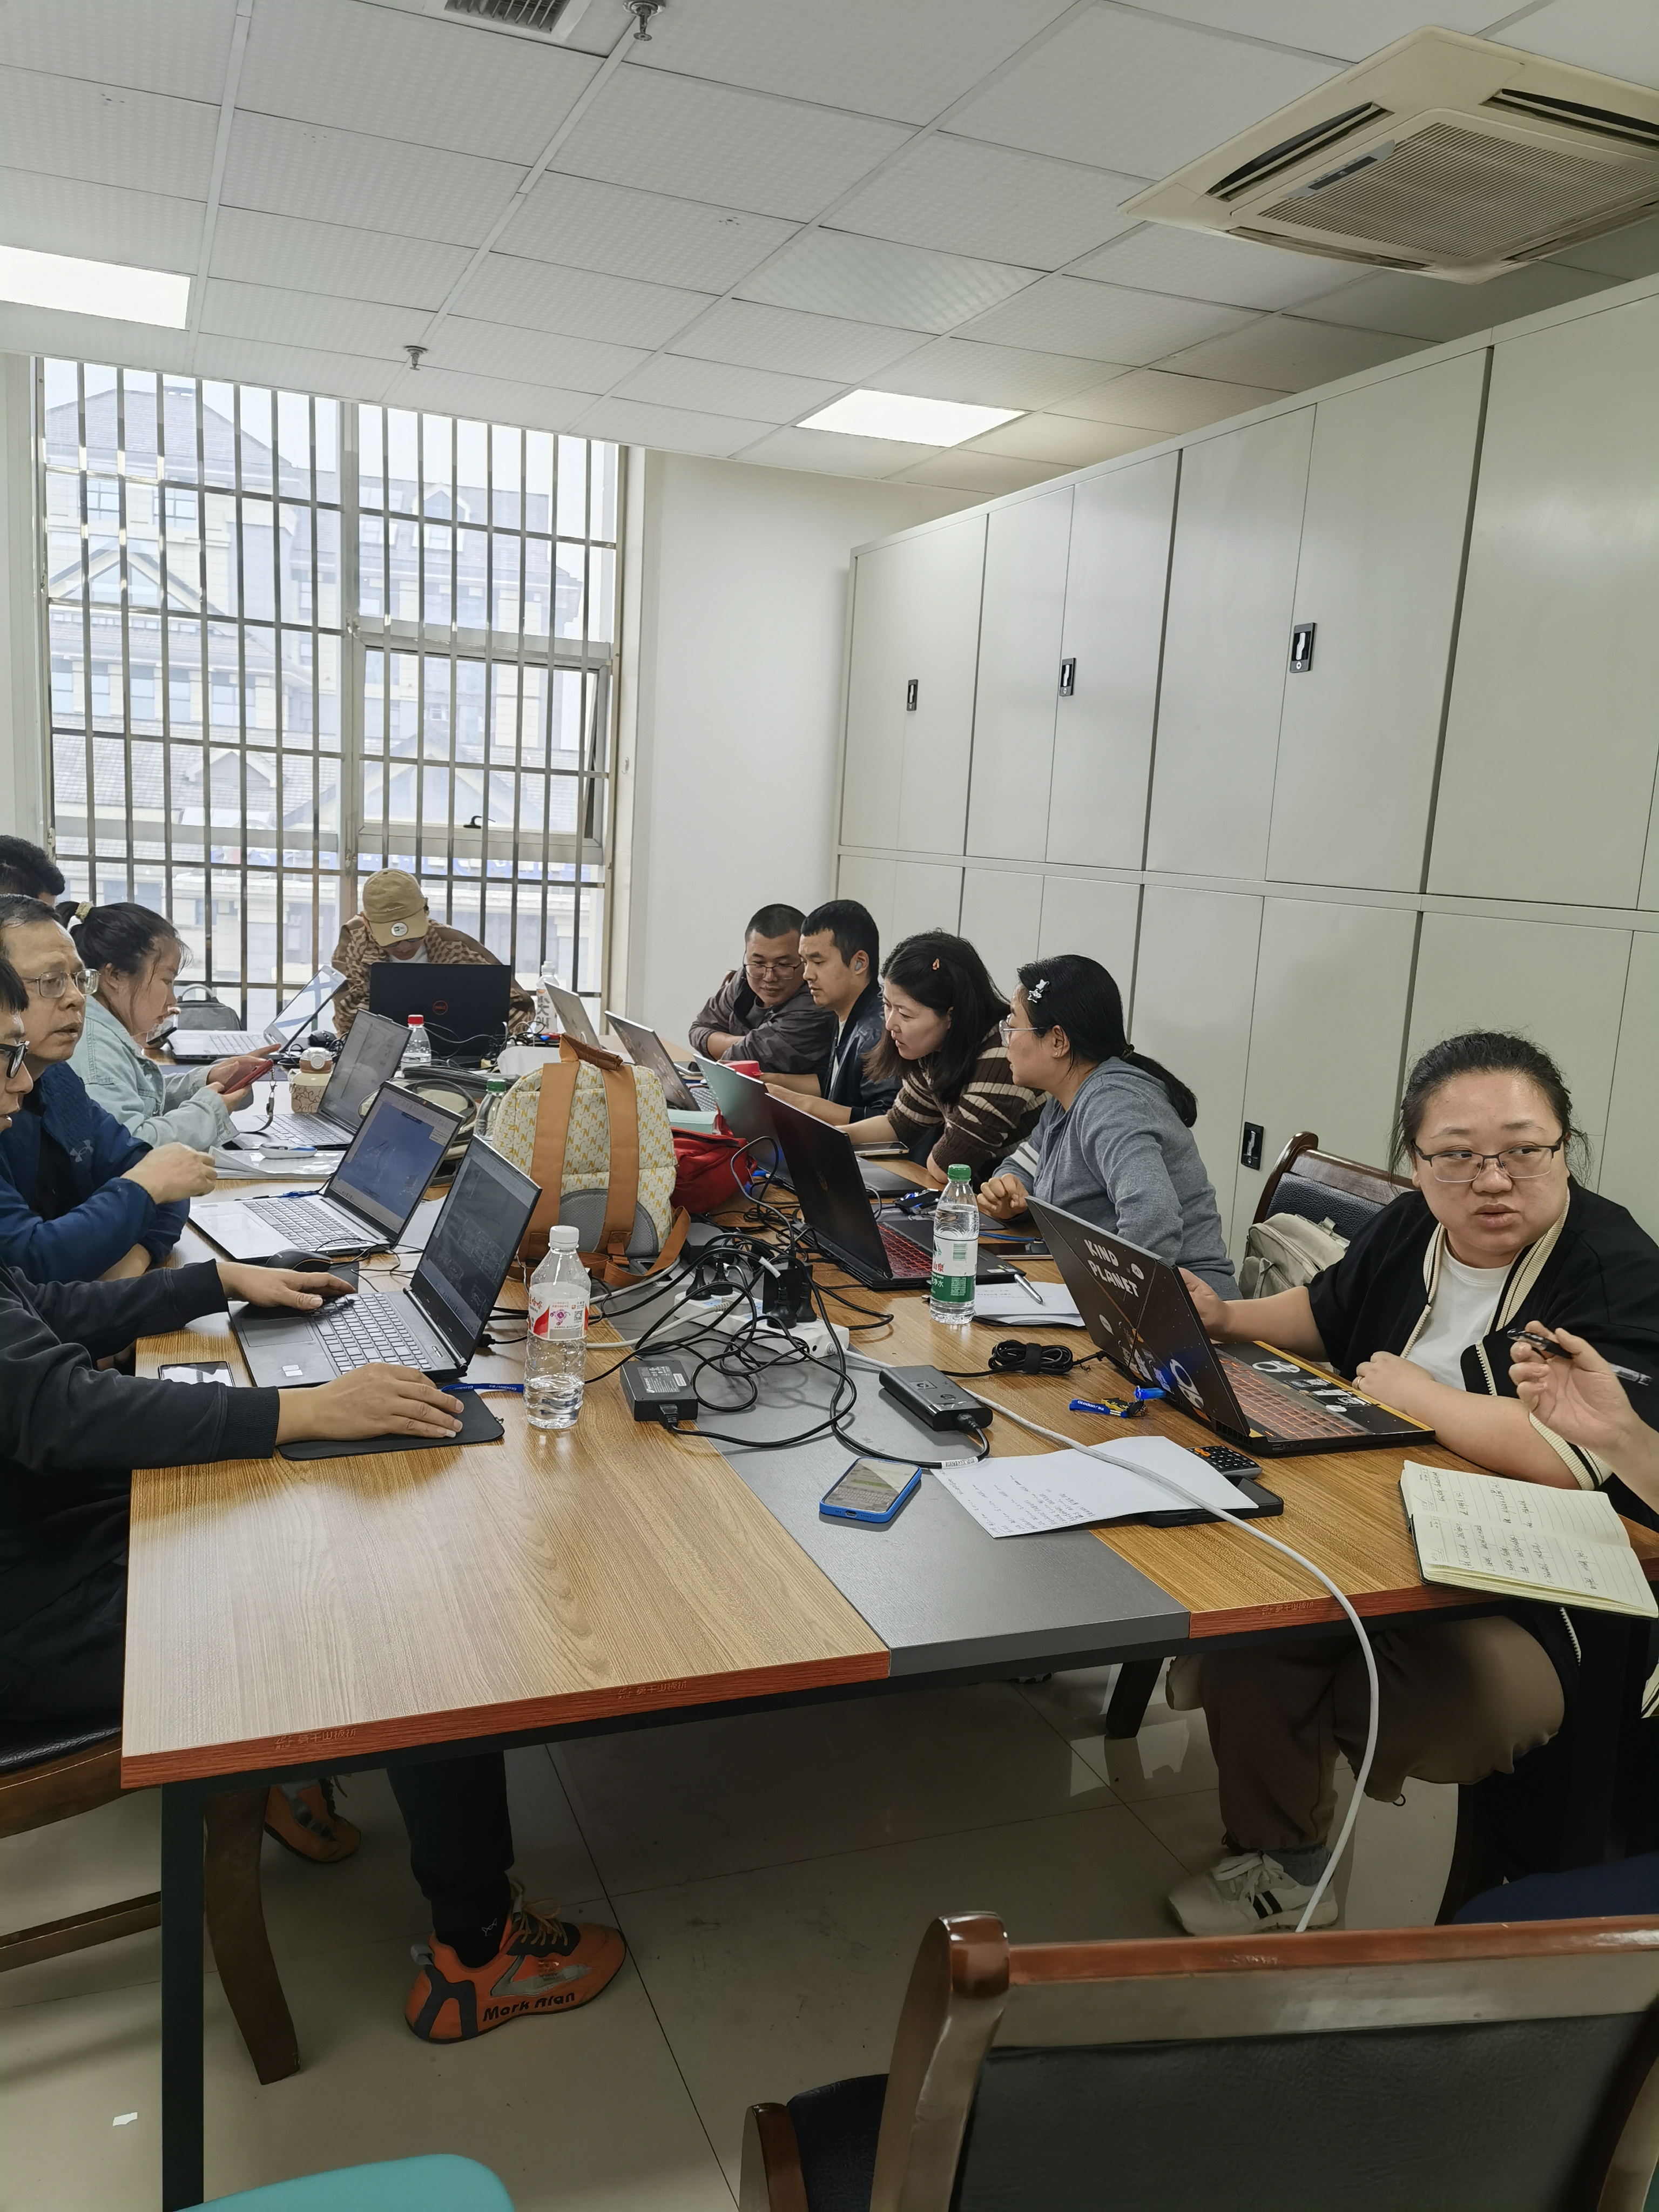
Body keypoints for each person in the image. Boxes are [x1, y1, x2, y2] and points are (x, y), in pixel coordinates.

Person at [0, 954, 624, 2040]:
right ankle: (478, 1953)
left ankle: (292, 1765)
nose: (21, 1084)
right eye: (3, 1057)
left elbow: (40, 1313)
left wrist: (213, 1282)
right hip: (35, 1608)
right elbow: (57, 1409)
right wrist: (303, 1410)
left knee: (304, 1494)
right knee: (407, 1594)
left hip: (41, 1540)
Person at [1165, 1030, 1659, 1938]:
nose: (1492, 1181)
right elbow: (1326, 1311)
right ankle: (1286, 1860)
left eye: (1524, 1151)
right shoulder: (1412, 1227)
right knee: (1249, 1618)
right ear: (1417, 1162)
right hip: (1372, 1521)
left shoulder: (1614, 1267)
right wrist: (1228, 1316)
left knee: (1340, 1663)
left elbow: (1576, 1452)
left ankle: (1298, 1801)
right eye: (1456, 1156)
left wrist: (1418, 1396)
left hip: (1532, 1591)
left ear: (1564, 1147)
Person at [977, 955, 1238, 1296]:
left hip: (1187, 1303)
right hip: (1116, 1288)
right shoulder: (1065, 1098)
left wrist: (1108, 1308)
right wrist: (1009, 1190)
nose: (1006, 1041)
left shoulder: (1111, 1103)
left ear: (1058, 1041)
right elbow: (1026, 1164)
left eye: (1013, 1027)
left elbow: (1153, 1219)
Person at [0, 896, 212, 1282]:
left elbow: (167, 1184)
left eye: (78, 979)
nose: (76, 998)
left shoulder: (59, 1081)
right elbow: (27, 1262)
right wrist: (143, 1188)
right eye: (51, 982)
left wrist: (132, 1262)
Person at [841, 930, 1043, 1186]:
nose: (890, 1024)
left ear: (951, 1016)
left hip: (1021, 1200)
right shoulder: (935, 1049)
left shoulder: (1003, 1054)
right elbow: (900, 1124)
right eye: (888, 1005)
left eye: (905, 1014)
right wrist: (830, 1138)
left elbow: (947, 1167)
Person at [69, 902, 267, 1153]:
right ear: (115, 975)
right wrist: (210, 1111)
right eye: (166, 981)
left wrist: (206, 1081)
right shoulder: (95, 1051)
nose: (172, 1000)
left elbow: (141, 1100)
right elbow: (134, 1149)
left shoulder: (100, 1034)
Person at [329, 869, 535, 1040]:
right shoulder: (356, 941)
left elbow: (516, 1004)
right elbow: (348, 1019)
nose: (403, 947)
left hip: (457, 1051)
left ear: (426, 912)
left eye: (413, 938)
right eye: (391, 942)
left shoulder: (454, 945)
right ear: (368, 924)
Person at [760, 899, 899, 1125]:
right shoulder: (847, 1010)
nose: (807, 975)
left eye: (818, 962)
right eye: (805, 962)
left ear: (859, 963)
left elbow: (888, 1121)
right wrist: (767, 1080)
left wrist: (802, 1104)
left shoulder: (876, 1032)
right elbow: (837, 1085)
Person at [689, 901, 837, 1077]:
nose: (769, 977)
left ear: (804, 960)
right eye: (758, 963)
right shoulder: (745, 977)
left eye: (783, 965)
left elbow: (742, 1058)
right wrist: (750, 1041)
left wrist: (731, 1044)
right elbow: (698, 1030)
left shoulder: (816, 1001)